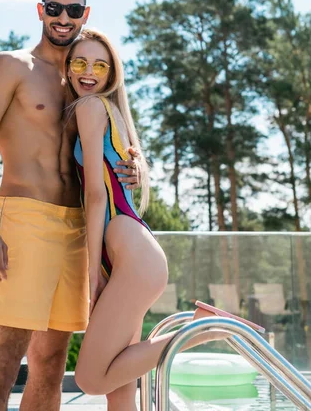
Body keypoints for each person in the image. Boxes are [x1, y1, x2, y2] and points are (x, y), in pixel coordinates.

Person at [0, 0, 140, 411]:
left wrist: (130, 169)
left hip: (76, 229)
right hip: (22, 221)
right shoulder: (12, 66)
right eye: (54, 8)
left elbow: (109, 151)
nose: (63, 17)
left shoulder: (86, 82)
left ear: (85, 14)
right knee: (1, 363)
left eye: (73, 10)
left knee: (52, 364)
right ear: (41, 10)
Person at [65, 29, 227, 401]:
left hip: (131, 255)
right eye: (80, 62)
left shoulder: (90, 107)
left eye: (99, 64)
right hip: (132, 254)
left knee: (91, 378)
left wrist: (91, 275)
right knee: (119, 391)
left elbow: (94, 194)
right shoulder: (113, 112)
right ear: (68, 68)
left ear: (111, 73)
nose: (89, 72)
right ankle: (206, 327)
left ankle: (206, 328)